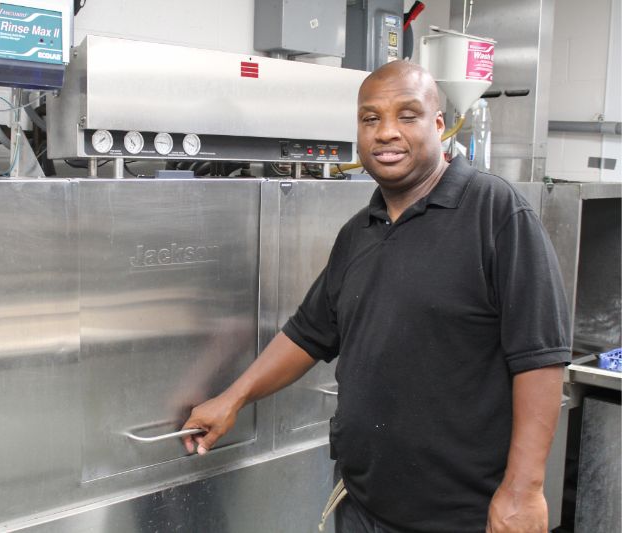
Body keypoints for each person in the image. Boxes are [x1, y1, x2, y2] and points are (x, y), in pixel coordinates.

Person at [181, 60, 571, 533]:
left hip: (463, 516)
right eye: (371, 119)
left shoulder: (497, 213)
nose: (387, 132)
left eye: (407, 116)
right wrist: (233, 398)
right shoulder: (359, 233)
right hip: (362, 505)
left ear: (440, 125)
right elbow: (308, 333)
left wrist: (524, 489)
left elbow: (540, 360)